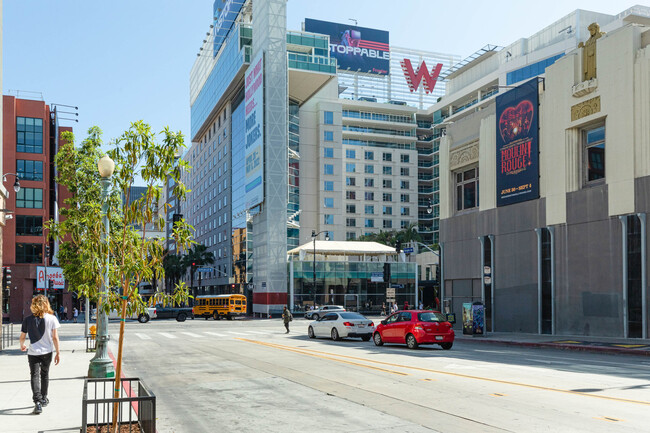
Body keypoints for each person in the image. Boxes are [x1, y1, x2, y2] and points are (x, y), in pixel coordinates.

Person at [19, 295, 61, 415]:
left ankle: (37, 402)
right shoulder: (52, 319)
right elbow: (55, 338)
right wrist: (58, 352)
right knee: (45, 374)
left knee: (34, 375)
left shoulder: (27, 319)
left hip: (33, 353)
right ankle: (44, 398)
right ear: (46, 304)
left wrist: (22, 345)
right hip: (47, 352)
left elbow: (22, 337)